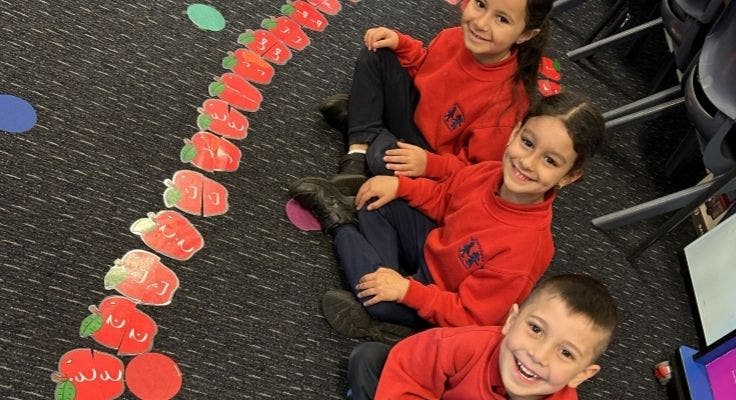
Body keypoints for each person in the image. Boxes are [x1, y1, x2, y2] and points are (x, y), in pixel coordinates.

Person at [289, 91, 606, 342]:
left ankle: (340, 223)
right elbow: (442, 199)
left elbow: (470, 317)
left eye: (550, 161)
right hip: (432, 251)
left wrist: (407, 292)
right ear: (513, 134)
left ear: (568, 176)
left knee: (380, 298)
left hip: (445, 305)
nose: (527, 163)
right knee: (382, 201)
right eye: (527, 142)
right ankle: (379, 283)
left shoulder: (525, 249)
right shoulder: (489, 173)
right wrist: (401, 186)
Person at [320, 0, 554, 195]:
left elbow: (477, 173)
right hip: (413, 112)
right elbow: (426, 68)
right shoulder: (454, 36)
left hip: (430, 152)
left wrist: (429, 164)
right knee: (375, 55)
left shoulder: (507, 104)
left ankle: (362, 122)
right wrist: (401, 44)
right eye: (481, 4)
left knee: (383, 160)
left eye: (502, 19)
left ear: (525, 34)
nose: (481, 23)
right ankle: (358, 153)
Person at [348, 274, 618, 400]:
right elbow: (409, 369)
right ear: (511, 321)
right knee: (368, 359)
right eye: (535, 329)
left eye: (566, 353)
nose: (539, 355)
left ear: (581, 375)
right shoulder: (466, 344)